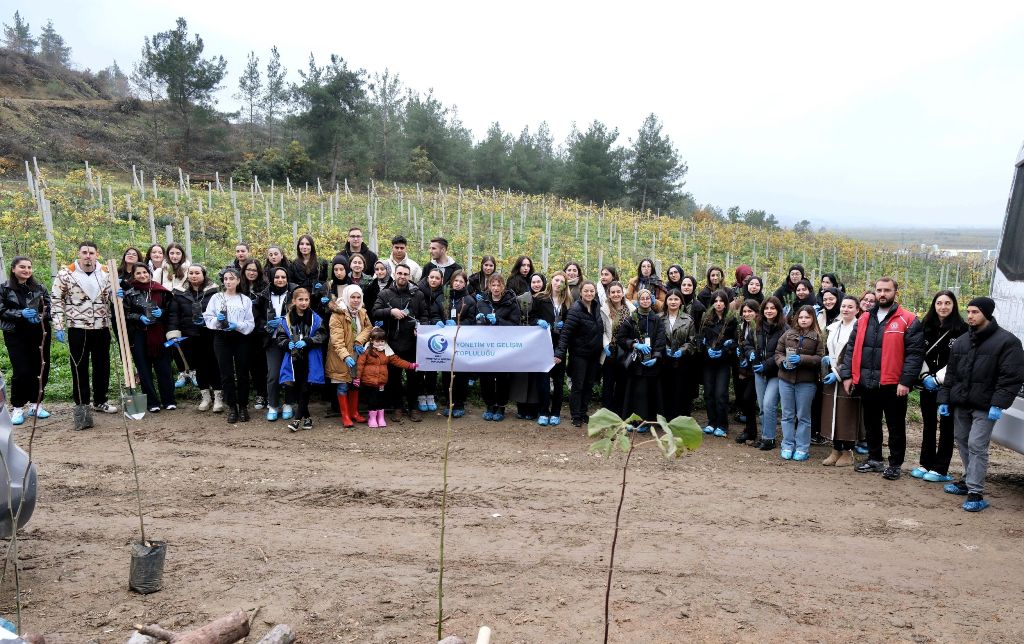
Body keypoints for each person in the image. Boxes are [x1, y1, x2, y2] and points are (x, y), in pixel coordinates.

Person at [938, 296, 1024, 512]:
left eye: (975, 312)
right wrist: (944, 399)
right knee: (963, 441)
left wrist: (998, 403)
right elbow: (951, 374)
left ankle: (975, 492)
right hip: (961, 403)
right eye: (968, 312)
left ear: (986, 313)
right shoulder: (962, 341)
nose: (970, 316)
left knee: (977, 445)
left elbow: (1011, 377)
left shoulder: (1008, 342)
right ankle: (967, 480)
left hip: (985, 405)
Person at [841, 277, 924, 481]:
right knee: (871, 423)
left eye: (887, 290)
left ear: (896, 292)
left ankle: (895, 463)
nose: (882, 294)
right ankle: (875, 458)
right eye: (879, 290)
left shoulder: (908, 319)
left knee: (896, 425)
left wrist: (906, 381)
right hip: (867, 382)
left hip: (893, 384)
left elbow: (915, 354)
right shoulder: (864, 319)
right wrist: (847, 375)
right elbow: (851, 348)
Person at [51, 241, 118, 430]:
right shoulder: (66, 273)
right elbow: (56, 299)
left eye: (91, 253)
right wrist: (58, 325)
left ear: (97, 254)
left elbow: (114, 297)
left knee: (102, 365)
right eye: (84, 252)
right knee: (79, 366)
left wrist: (117, 294)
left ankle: (100, 400)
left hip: (101, 326)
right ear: (79, 254)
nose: (88, 256)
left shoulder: (106, 272)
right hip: (78, 327)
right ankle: (82, 404)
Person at [912, 290, 968, 482]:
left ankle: (940, 468)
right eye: (939, 303)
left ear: (954, 306)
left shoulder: (963, 330)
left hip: (949, 385)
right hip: (926, 383)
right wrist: (926, 375)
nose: (943, 307)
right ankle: (925, 463)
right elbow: (917, 352)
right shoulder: (924, 325)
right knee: (928, 425)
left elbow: (959, 360)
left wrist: (938, 378)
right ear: (934, 305)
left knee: (947, 426)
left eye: (947, 303)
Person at [371, 263, 427, 422]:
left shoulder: (418, 294)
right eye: (400, 273)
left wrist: (420, 327)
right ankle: (397, 407)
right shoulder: (385, 294)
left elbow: (424, 315)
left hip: (412, 343)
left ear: (409, 276)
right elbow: (375, 312)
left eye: (405, 274)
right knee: (394, 379)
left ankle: (414, 407)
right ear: (394, 274)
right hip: (392, 343)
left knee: (414, 379)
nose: (402, 276)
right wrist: (390, 311)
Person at [0, 256, 52, 424]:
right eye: (22, 267)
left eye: (29, 267)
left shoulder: (39, 288)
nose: (27, 270)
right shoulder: (4, 289)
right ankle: (17, 407)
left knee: (40, 368)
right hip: (15, 334)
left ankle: (36, 405)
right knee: (21, 370)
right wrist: (19, 314)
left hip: (39, 333)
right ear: (13, 268)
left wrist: (40, 315)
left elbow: (50, 308)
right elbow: (1, 310)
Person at [167, 264, 223, 413]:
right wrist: (173, 332)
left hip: (210, 334)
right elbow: (174, 314)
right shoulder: (179, 293)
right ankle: (205, 396)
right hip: (190, 335)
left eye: (197, 273)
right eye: (191, 273)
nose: (194, 275)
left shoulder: (213, 292)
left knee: (214, 365)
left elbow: (219, 312)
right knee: (199, 367)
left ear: (203, 274)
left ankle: (218, 396)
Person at [121, 263, 176, 412]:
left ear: (149, 273)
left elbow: (171, 310)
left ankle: (169, 400)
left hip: (160, 335)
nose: (142, 275)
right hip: (140, 334)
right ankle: (152, 402)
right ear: (134, 275)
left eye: (144, 272)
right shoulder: (130, 293)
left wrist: (162, 312)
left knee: (164, 368)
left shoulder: (161, 290)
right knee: (144, 370)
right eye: (138, 273)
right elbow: (125, 313)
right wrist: (138, 317)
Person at [204, 268, 256, 424]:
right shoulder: (216, 297)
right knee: (226, 374)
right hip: (221, 338)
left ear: (238, 280)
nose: (228, 281)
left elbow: (250, 323)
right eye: (226, 279)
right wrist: (217, 320)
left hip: (240, 338)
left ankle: (243, 406)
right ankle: (232, 407)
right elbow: (208, 317)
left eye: (231, 278)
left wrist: (237, 325)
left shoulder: (244, 299)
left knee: (242, 373)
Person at [466, 273, 519, 421]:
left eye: (499, 285)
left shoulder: (511, 302)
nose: (496, 288)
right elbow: (475, 324)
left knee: (503, 377)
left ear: (503, 286)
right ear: (489, 286)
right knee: (486, 377)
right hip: (486, 346)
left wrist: (498, 321)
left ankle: (501, 407)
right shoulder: (482, 302)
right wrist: (478, 320)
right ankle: (489, 405)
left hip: (503, 347)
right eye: (493, 285)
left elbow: (515, 325)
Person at [775, 306, 825, 461]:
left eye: (807, 317)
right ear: (796, 318)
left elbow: (820, 358)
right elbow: (778, 352)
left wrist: (802, 359)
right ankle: (787, 445)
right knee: (787, 414)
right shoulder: (788, 334)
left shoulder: (817, 337)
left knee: (803, 416)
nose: (804, 320)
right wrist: (782, 362)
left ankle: (802, 447)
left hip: (806, 382)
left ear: (812, 319)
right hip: (786, 379)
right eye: (801, 317)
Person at [275, 287, 328, 432]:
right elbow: (280, 337)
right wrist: (287, 343)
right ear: (294, 301)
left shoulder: (315, 318)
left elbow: (322, 335)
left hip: (310, 359)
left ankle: (297, 420)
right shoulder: (286, 319)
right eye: (300, 300)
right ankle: (308, 418)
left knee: (305, 389)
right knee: (298, 389)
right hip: (293, 359)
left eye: (306, 300)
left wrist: (308, 341)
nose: (303, 303)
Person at [554, 280, 604, 428]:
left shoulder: (597, 307)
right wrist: (560, 352)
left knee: (589, 384)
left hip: (594, 354)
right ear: (581, 292)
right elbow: (566, 333)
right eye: (586, 291)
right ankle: (575, 415)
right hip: (579, 355)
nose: (589, 293)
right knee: (578, 385)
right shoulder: (575, 309)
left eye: (591, 291)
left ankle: (583, 412)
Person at [820, 295, 861, 466]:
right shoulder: (834, 327)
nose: (846, 309)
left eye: (850, 307)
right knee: (832, 413)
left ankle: (848, 451)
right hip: (831, 374)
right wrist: (828, 359)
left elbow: (855, 356)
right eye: (844, 306)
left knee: (847, 414)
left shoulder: (859, 328)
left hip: (848, 376)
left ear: (857, 310)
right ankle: (835, 449)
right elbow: (830, 348)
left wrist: (838, 371)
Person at [616, 289, 666, 425]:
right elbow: (621, 338)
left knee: (650, 392)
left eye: (647, 298)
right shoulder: (631, 319)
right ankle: (635, 421)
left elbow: (661, 340)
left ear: (652, 300)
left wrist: (655, 356)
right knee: (637, 393)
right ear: (638, 301)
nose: (645, 301)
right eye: (642, 298)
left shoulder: (657, 319)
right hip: (636, 363)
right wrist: (634, 345)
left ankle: (648, 420)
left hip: (652, 364)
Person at [254, 267, 296, 421]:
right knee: (273, 374)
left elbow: (302, 312)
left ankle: (288, 403)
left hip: (290, 340)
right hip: (272, 340)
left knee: (289, 373)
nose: (280, 280)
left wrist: (287, 322)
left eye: (283, 277)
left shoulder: (294, 293)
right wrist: (266, 326)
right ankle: (273, 404)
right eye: (277, 277)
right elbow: (256, 318)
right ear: (271, 278)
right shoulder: (264, 296)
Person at [355, 327, 418, 428]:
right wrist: (357, 378)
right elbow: (360, 364)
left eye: (382, 341)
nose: (380, 343)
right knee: (372, 400)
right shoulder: (366, 351)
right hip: (369, 381)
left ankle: (380, 417)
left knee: (381, 400)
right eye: (377, 341)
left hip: (381, 381)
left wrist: (410, 365)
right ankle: (372, 418)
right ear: (371, 341)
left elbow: (397, 360)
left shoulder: (387, 351)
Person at [751, 297, 787, 450]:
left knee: (769, 404)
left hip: (776, 373)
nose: (769, 311)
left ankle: (769, 438)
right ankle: (765, 435)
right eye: (766, 308)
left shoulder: (784, 330)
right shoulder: (758, 327)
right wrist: (750, 352)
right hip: (759, 372)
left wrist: (766, 365)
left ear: (778, 310)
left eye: (773, 308)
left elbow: (782, 352)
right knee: (761, 406)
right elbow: (748, 343)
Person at [700, 290, 738, 436]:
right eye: (715, 301)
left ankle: (722, 424)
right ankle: (711, 422)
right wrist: (707, 348)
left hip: (724, 361)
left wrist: (725, 349)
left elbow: (735, 341)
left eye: (721, 301)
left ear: (726, 303)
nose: (718, 303)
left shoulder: (731, 320)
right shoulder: (707, 319)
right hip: (709, 361)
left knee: (720, 393)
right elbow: (701, 338)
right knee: (709, 392)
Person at [515, 272, 551, 420]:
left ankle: (536, 408)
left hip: (543, 344)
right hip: (526, 342)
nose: (536, 284)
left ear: (543, 282)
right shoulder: (523, 299)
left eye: (539, 282)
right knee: (524, 376)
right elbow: (519, 317)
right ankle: (522, 407)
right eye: (533, 282)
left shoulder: (548, 299)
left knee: (538, 377)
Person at [660, 289, 697, 419]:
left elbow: (692, 341)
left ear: (681, 301)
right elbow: (656, 339)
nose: (673, 302)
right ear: (666, 301)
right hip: (663, 361)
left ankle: (681, 418)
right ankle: (666, 418)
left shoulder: (688, 320)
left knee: (681, 390)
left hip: (682, 362)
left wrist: (682, 350)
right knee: (665, 390)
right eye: (670, 299)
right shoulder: (659, 318)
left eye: (676, 299)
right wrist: (664, 349)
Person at [542, 271, 573, 424]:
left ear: (565, 285)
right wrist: (538, 322)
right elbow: (532, 316)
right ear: (551, 281)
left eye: (562, 281)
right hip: (543, 344)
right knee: (543, 380)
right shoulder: (541, 299)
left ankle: (555, 412)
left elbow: (571, 324)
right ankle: (543, 411)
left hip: (560, 345)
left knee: (559, 381)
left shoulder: (568, 303)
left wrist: (564, 325)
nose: (558, 283)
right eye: (556, 280)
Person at [439, 270, 471, 417]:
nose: (458, 284)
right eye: (455, 281)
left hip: (462, 342)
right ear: (451, 281)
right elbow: (434, 313)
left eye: (461, 282)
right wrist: (436, 322)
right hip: (445, 343)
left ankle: (459, 403)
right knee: (447, 373)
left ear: (465, 284)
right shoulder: (443, 298)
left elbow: (472, 320)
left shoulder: (469, 300)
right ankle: (448, 402)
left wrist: (459, 323)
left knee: (461, 374)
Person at [600, 280, 634, 416]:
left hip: (625, 351)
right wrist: (606, 344)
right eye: (612, 292)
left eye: (618, 291)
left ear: (623, 293)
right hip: (610, 350)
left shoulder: (631, 310)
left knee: (622, 383)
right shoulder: (604, 309)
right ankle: (607, 413)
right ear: (608, 294)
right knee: (608, 383)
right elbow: (601, 329)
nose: (615, 294)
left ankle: (620, 412)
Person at [240, 258, 269, 410]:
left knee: (261, 365)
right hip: (242, 332)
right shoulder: (239, 287)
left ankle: (262, 394)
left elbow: (266, 311)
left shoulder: (264, 288)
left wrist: (262, 327)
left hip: (258, 332)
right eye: (248, 269)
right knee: (248, 364)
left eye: (254, 270)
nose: (251, 272)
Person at [418, 267, 447, 412]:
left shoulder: (444, 295)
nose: (434, 280)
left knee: (433, 366)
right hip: (421, 333)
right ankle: (420, 395)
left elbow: (444, 312)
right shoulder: (418, 291)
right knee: (420, 366)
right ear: (427, 278)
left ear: (441, 280)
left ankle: (430, 394)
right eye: (432, 277)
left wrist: (440, 321)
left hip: (436, 334)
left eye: (437, 278)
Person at [733, 299, 761, 443]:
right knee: (745, 399)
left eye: (750, 311)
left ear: (756, 312)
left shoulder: (760, 327)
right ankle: (750, 430)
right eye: (744, 311)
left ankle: (755, 431)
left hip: (757, 368)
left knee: (749, 397)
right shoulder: (741, 326)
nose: (747, 314)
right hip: (744, 368)